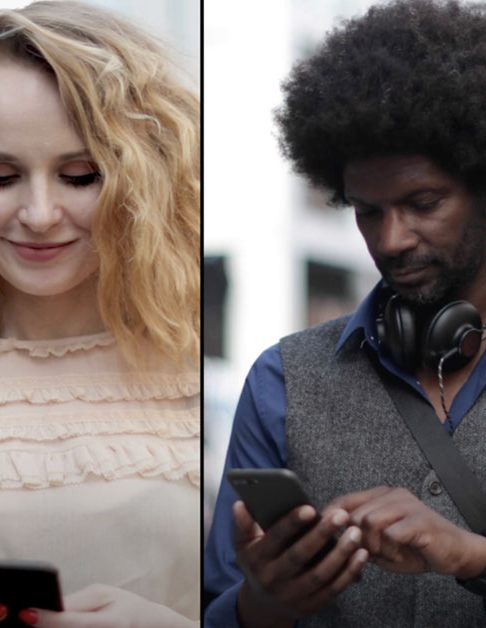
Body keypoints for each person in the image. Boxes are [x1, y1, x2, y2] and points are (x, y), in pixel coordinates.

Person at [0, 2, 200, 626]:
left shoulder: (208, 373)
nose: (39, 213)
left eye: (81, 175)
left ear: (142, 178)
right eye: (0, 176)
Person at [202, 1, 486, 625]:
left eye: (423, 202)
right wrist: (259, 605)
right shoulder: (280, 380)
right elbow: (213, 607)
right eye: (366, 211)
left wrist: (472, 558)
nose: (390, 240)